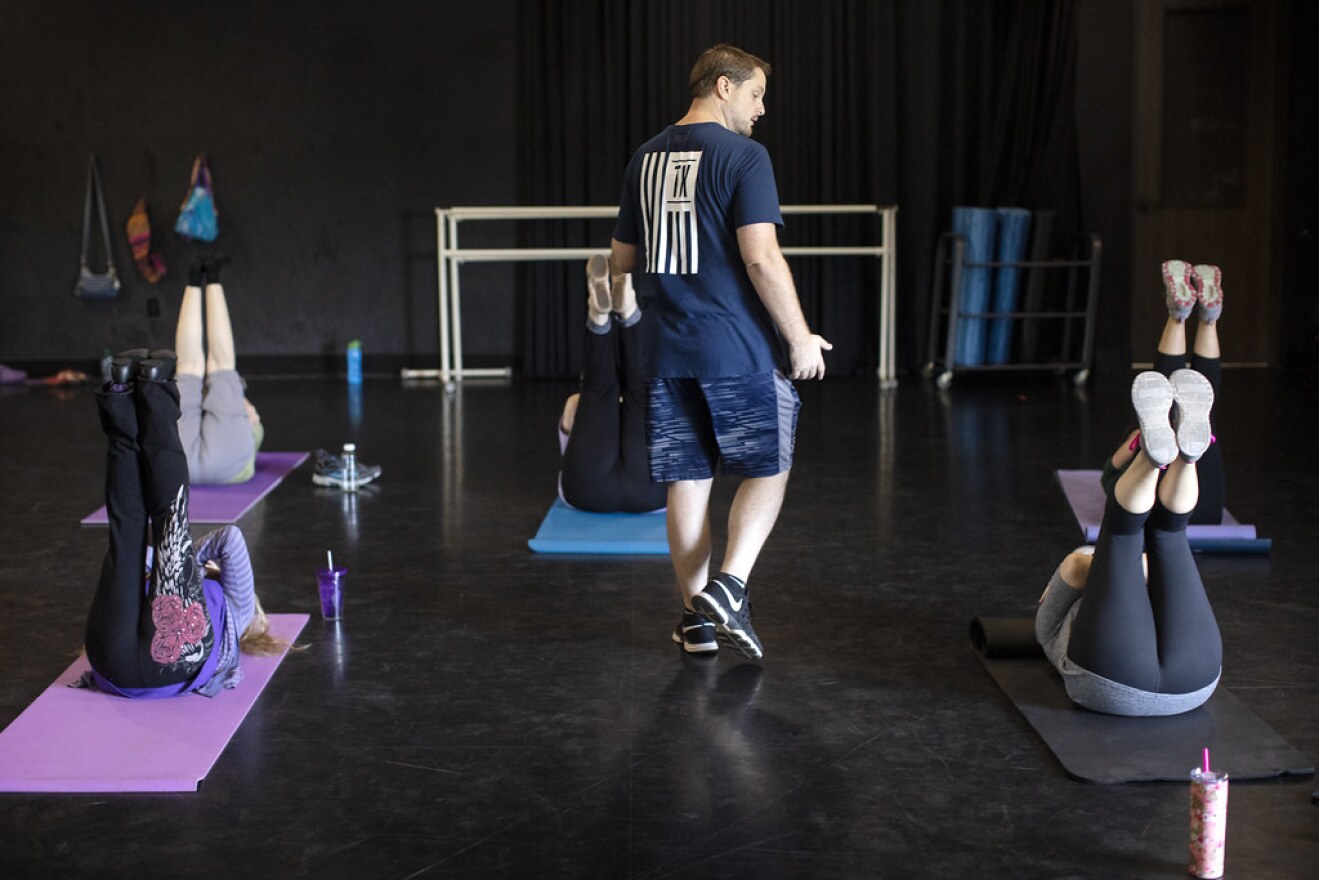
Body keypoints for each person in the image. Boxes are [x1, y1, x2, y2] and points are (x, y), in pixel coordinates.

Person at [611, 44, 832, 660]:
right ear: (724, 86)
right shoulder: (744, 157)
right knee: (770, 463)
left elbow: (620, 263)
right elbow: (761, 257)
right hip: (733, 346)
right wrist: (799, 336)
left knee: (688, 479)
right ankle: (731, 586)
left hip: (664, 350)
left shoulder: (643, 158)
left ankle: (695, 620)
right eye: (757, 93)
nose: (763, 108)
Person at [83, 350, 287, 698]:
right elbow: (150, 556)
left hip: (166, 661)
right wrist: (183, 563)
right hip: (114, 665)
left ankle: (153, 384)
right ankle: (123, 390)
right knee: (127, 528)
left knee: (168, 521)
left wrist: (192, 561)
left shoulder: (238, 613)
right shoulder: (232, 616)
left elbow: (230, 540)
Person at [1035, 369, 1222, 716]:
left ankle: (1174, 457)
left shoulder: (1049, 631)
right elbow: (1077, 566)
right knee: (1131, 535)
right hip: (1125, 677)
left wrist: (1101, 569)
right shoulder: (1050, 623)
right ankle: (1175, 456)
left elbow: (1088, 567)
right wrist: (1085, 571)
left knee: (1163, 535)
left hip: (1194, 683)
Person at [1102, 260, 1225, 523]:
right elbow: (1110, 472)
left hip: (1202, 503)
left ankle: (1208, 320)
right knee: (1166, 404)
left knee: (1202, 411)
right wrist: (1134, 442)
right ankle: (1178, 315)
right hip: (1171, 500)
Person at [557, 254, 668, 516]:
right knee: (640, 393)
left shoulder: (575, 404)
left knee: (599, 392)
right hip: (650, 494)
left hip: (585, 492)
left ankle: (602, 315)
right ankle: (622, 310)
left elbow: (571, 416)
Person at [173, 256, 263, 485]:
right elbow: (253, 420)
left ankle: (195, 280)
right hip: (229, 467)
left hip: (178, 470)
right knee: (219, 368)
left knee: (188, 367)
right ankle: (212, 277)